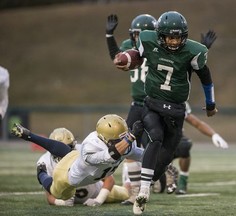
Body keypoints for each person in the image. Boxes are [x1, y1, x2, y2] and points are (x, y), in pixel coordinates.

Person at [114, 11, 218, 215]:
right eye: (170, 36)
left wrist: (211, 103)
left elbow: (205, 76)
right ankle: (142, 189)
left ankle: (150, 183)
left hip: (176, 109)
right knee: (155, 137)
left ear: (184, 36)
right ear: (160, 35)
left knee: (167, 153)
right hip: (152, 103)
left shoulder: (193, 51)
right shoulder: (147, 40)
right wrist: (127, 59)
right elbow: (137, 54)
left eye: (178, 37)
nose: (173, 41)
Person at [11, 114, 144, 206]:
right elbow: (111, 155)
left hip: (93, 186)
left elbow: (110, 176)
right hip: (67, 177)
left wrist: (98, 200)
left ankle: (128, 180)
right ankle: (41, 172)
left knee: (126, 192)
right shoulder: (89, 149)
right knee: (54, 187)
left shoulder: (79, 149)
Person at [106, 13, 157, 205]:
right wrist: (109, 36)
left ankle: (160, 173)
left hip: (155, 104)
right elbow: (117, 58)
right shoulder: (130, 48)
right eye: (135, 34)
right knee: (128, 148)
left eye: (141, 34)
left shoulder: (158, 48)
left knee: (153, 147)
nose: (137, 38)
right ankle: (136, 193)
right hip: (137, 105)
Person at [35, 127, 130, 206]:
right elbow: (50, 194)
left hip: (97, 191)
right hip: (74, 195)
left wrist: (98, 200)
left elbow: (109, 180)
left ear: (74, 145)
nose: (62, 151)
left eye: (68, 147)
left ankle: (128, 177)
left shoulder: (84, 151)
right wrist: (60, 202)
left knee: (127, 193)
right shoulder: (45, 161)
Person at [153, 101, 228, 195]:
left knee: (185, 145)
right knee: (159, 187)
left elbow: (197, 123)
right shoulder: (153, 100)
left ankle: (182, 180)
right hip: (157, 142)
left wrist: (214, 135)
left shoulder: (180, 102)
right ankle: (160, 172)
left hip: (173, 139)